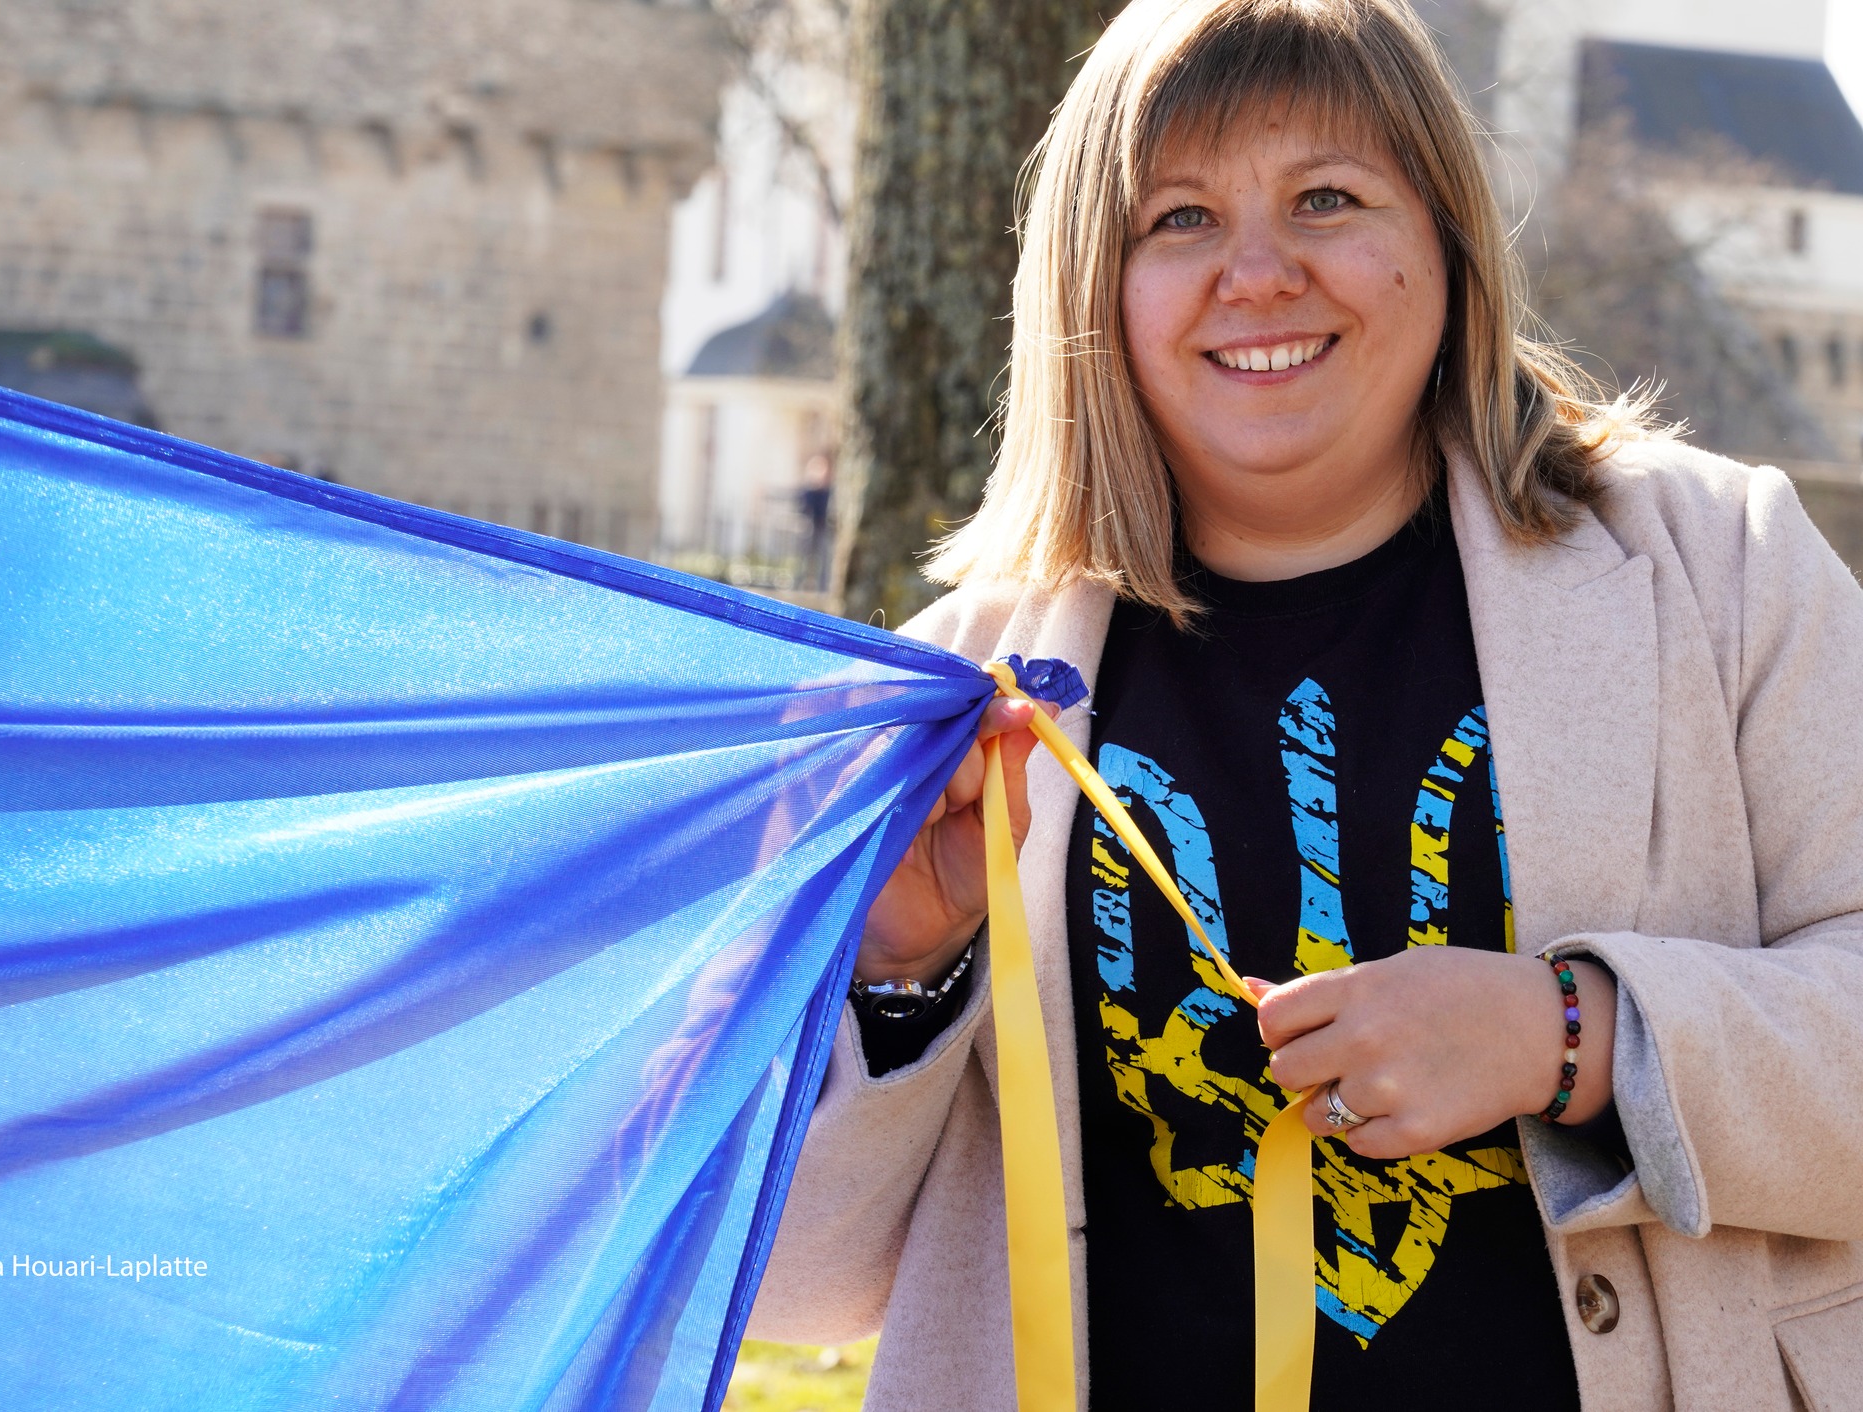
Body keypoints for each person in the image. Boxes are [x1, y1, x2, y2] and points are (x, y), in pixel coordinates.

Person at [745, 0, 1863, 1408]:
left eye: (1327, 199)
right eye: (1180, 221)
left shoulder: (1720, 569)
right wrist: (903, 973)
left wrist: (1568, 1035)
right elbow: (789, 1281)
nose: (1259, 275)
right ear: (1093, 291)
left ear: (1447, 243)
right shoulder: (952, 700)